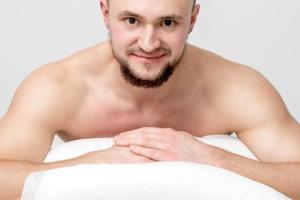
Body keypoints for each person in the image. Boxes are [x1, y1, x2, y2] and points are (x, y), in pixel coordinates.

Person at [0, 0, 299, 199]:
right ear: (105, 13)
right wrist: (91, 162)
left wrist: (209, 157)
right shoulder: (58, 86)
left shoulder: (237, 88)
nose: (148, 43)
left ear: (192, 19)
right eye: (131, 20)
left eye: (167, 23)